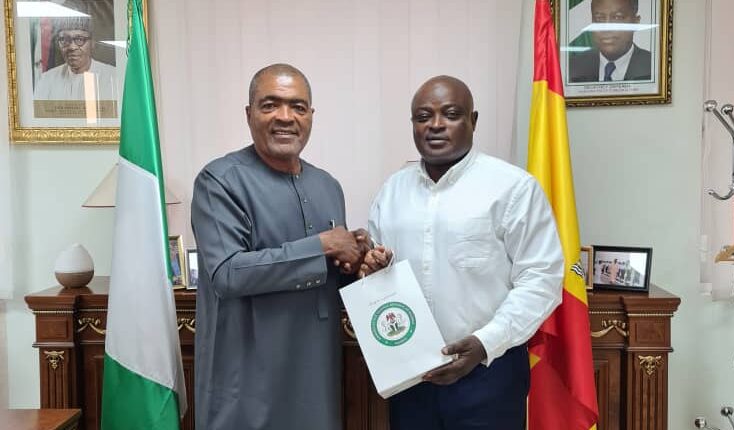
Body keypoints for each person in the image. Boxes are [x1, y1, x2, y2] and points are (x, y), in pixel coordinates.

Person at [360, 76, 564, 429]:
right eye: (423, 116)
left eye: (451, 114)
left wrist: (485, 344)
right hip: (411, 378)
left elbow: (541, 279)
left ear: (473, 120)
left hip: (489, 371)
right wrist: (373, 266)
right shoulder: (392, 191)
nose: (436, 125)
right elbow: (378, 274)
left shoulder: (513, 188)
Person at [191, 64, 368, 430]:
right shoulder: (219, 182)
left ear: (311, 116)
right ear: (249, 114)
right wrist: (323, 245)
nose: (285, 117)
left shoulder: (328, 186)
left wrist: (357, 263)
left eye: (297, 107)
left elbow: (325, 277)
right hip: (247, 390)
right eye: (270, 105)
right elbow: (227, 273)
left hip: (316, 384)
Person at [33, 15, 117, 101]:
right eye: (65, 40)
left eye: (79, 39)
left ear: (92, 43)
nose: (72, 47)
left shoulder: (113, 77)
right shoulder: (47, 80)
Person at [569, 0, 652, 83]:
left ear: (636, 22)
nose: (606, 28)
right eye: (599, 18)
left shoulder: (653, 65)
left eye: (617, 17)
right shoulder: (573, 67)